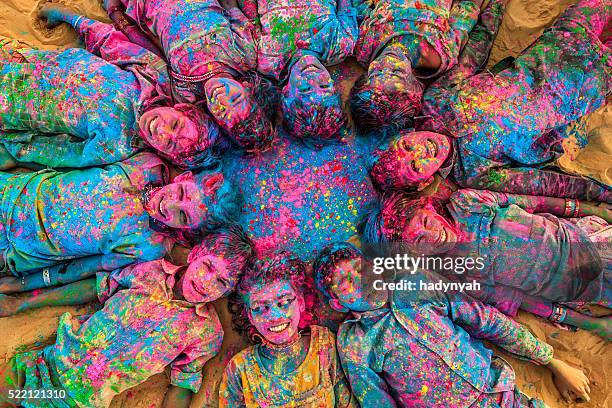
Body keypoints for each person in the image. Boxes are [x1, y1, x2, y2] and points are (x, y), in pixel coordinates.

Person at [370, 0, 611, 199]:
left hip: (560, 44)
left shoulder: (435, 103)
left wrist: (493, 10)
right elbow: (542, 183)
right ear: (424, 183)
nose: (421, 150)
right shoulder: (474, 174)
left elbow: (471, 60)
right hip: (589, 88)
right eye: (414, 166)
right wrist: (601, 194)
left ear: (403, 136)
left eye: (407, 146)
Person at [0, 226, 254, 408]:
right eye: (207, 267)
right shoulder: (150, 271)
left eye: (221, 282)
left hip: (77, 401)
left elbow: (183, 384)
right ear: (195, 255)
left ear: (229, 290)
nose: (207, 282)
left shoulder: (205, 333)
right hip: (43, 365)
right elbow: (95, 288)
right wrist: (22, 303)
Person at [314, 241, 594, 406]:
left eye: (361, 269)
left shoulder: (416, 283)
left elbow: (487, 321)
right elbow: (377, 402)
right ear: (338, 303)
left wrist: (554, 363)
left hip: (500, 395)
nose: (360, 279)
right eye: (345, 282)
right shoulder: (354, 342)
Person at [362, 189, 611, 339]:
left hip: (588, 239)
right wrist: (592, 324)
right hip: (580, 288)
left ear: (428, 207)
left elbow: (531, 202)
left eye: (427, 222)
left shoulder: (466, 204)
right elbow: (514, 298)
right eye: (418, 240)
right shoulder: (457, 272)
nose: (432, 234)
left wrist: (589, 209)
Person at [0, 8, 222, 171]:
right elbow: (108, 40)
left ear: (165, 154)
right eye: (175, 124)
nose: (161, 131)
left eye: (170, 144)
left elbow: (60, 152)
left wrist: (13, 147)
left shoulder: (117, 146)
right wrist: (63, 14)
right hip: (25, 59)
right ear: (181, 108)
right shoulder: (152, 77)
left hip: (10, 106)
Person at [0, 152, 239, 292]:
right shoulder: (147, 165)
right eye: (182, 194)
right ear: (185, 177)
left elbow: (83, 267)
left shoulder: (150, 245)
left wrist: (21, 285)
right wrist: (14, 156)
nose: (169, 206)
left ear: (189, 229)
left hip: (16, 252)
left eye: (183, 216)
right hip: (13, 193)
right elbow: (73, 158)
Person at [100, 0, 276, 151]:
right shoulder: (245, 56)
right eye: (235, 98)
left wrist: (117, 15)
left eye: (221, 112)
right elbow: (231, 6)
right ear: (248, 87)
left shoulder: (186, 93)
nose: (222, 99)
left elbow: (151, 50)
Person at [219, 250, 357, 406]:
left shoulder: (325, 346)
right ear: (250, 316)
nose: (274, 316)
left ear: (300, 302)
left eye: (284, 303)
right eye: (260, 307)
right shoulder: (240, 368)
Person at [349, 0, 490, 133]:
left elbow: (361, 8)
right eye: (396, 71)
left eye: (377, 71)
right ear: (413, 82)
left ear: (365, 77)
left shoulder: (364, 47)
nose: (387, 62)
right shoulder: (436, 56)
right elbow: (464, 18)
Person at [241, 0, 357, 143]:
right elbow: (345, 7)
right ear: (334, 85)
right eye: (324, 86)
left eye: (305, 88)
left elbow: (251, 19)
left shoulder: (268, 60)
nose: (313, 77)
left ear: (285, 92)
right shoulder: (340, 45)